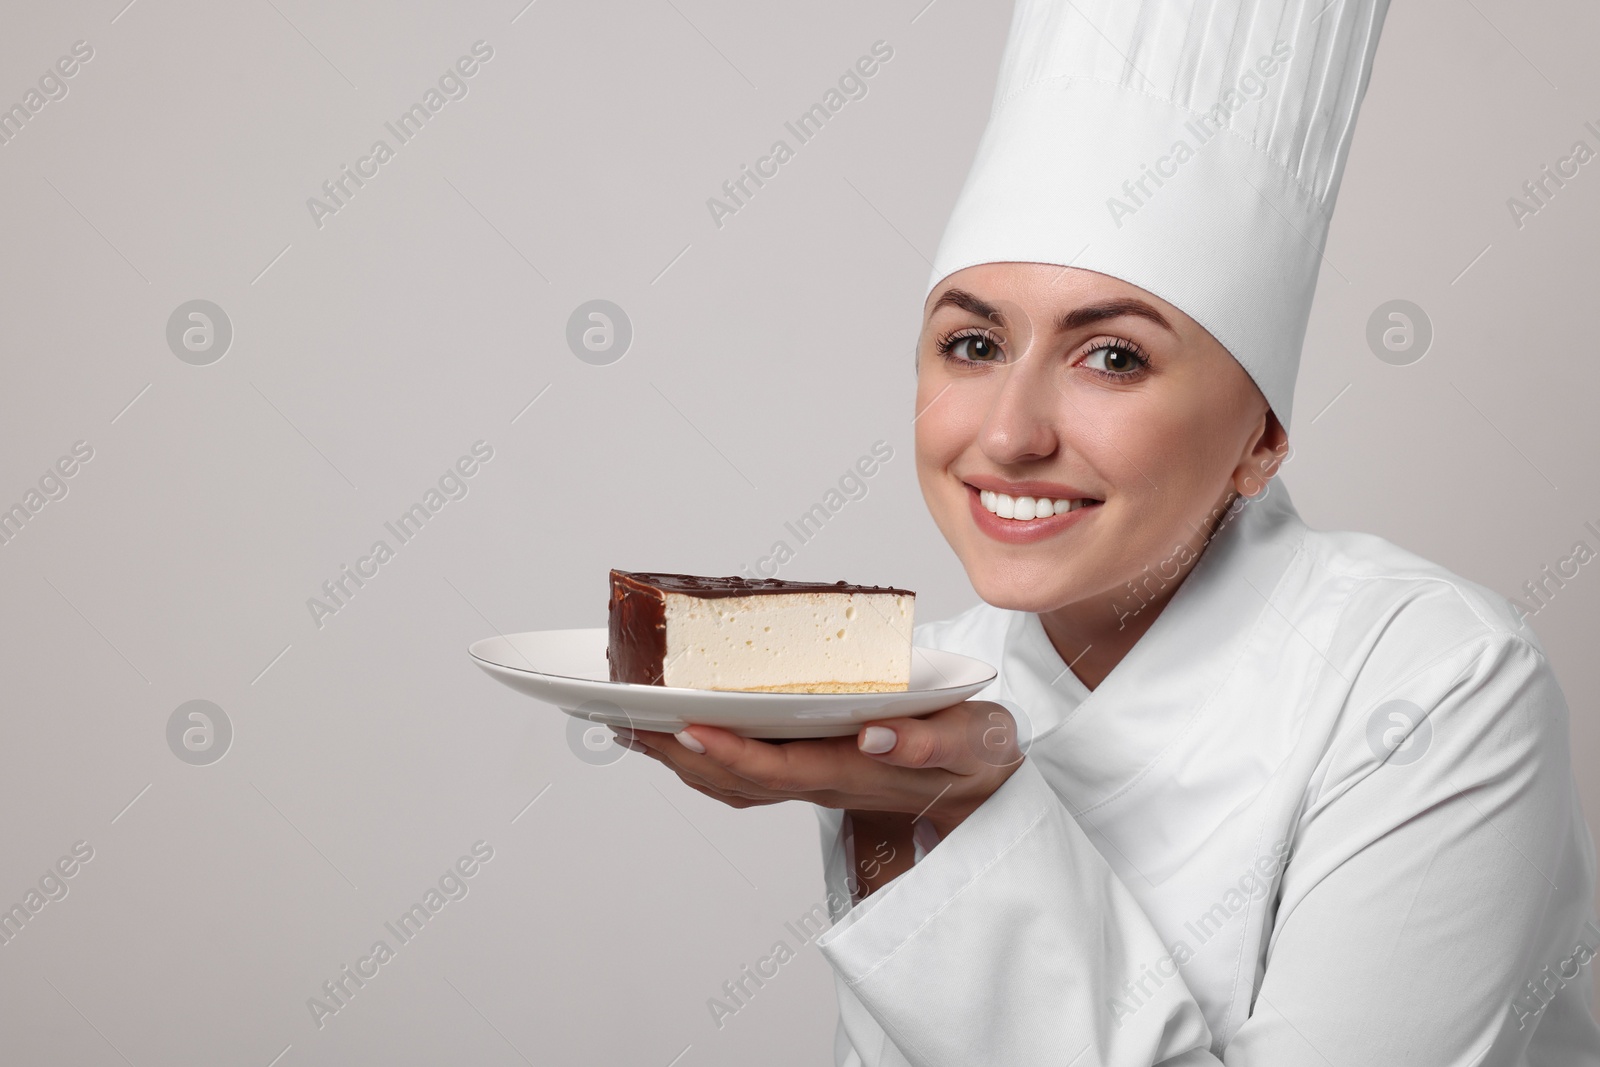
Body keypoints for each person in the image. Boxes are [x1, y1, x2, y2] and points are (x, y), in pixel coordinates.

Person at [616, 0, 1600, 1062]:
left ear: (1259, 440)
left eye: (1114, 357)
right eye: (973, 341)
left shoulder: (1433, 682)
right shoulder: (920, 703)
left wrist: (980, 818)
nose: (1008, 432)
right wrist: (907, 814)